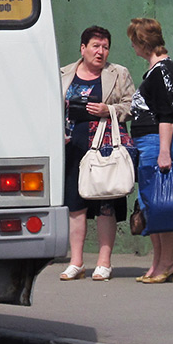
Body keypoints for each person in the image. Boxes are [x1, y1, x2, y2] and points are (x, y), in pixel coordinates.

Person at [59, 26, 136, 281]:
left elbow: (132, 106)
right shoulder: (63, 74)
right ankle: (77, 262)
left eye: (105, 47)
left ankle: (104, 262)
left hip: (103, 149)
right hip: (72, 148)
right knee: (76, 206)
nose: (100, 52)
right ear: (83, 48)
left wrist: (108, 110)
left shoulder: (118, 74)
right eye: (95, 46)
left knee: (105, 204)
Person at [128, 17, 173, 284]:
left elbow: (166, 115)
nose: (133, 47)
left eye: (133, 41)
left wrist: (163, 151)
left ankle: (168, 262)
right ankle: (158, 262)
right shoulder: (160, 70)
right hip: (151, 141)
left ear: (142, 42)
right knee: (152, 202)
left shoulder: (161, 71)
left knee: (160, 203)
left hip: (156, 141)